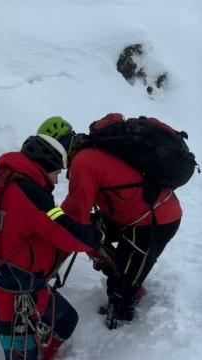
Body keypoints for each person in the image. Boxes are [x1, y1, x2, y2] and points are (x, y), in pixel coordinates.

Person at [0, 134, 103, 360]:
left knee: (66, 320)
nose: (56, 180)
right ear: (44, 167)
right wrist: (96, 234)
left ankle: (41, 353)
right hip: (9, 298)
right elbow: (67, 232)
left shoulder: (5, 181)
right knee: (25, 352)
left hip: (20, 286)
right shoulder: (31, 194)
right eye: (56, 172)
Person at [60, 118, 182, 329]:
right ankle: (118, 267)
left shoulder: (83, 162)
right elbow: (74, 209)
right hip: (138, 214)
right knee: (92, 232)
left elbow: (76, 213)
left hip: (154, 221)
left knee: (122, 287)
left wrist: (56, 229)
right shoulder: (92, 153)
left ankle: (121, 323)